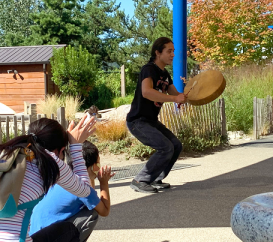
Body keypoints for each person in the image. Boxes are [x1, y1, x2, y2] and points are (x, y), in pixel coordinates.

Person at [0, 116, 96, 242]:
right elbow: (86, 192)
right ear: (59, 150)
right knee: (69, 229)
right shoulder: (51, 161)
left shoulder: (7, 152)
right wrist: (75, 146)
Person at [126, 36, 187, 193]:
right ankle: (140, 180)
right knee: (165, 147)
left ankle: (155, 178)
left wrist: (186, 95)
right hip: (138, 121)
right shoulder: (149, 69)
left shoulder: (165, 74)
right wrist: (174, 98)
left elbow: (175, 93)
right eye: (169, 51)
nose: (173, 54)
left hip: (151, 121)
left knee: (175, 145)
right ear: (157, 53)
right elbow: (147, 92)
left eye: (173, 51)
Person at [29, 141, 115, 242]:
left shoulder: (62, 177)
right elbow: (104, 211)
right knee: (92, 213)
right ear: (92, 166)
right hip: (48, 237)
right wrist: (103, 183)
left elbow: (90, 195)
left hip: (34, 234)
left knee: (90, 205)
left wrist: (90, 176)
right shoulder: (82, 188)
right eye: (98, 163)